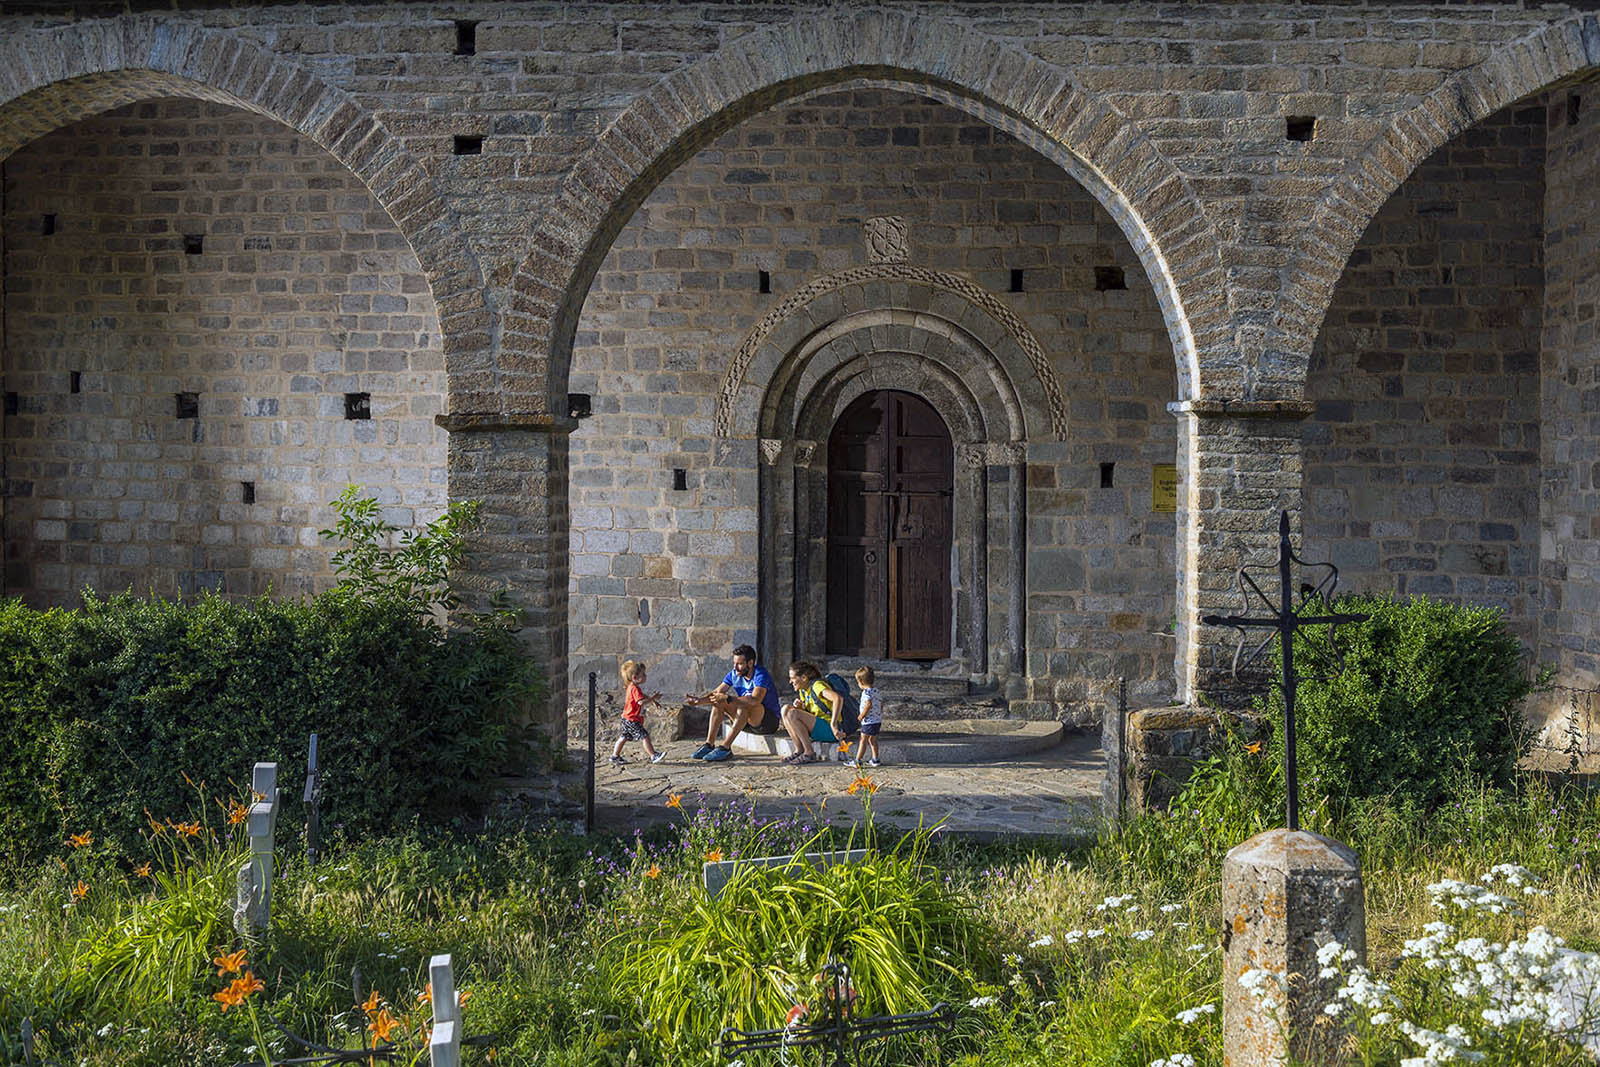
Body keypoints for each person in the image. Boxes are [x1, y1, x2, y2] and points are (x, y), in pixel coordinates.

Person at [684, 644, 782, 762]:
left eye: (740, 664)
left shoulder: (761, 675)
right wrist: (699, 701)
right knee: (718, 703)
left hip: (766, 723)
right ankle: (709, 744)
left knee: (744, 706)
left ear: (750, 663)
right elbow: (717, 692)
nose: (735, 668)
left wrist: (729, 698)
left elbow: (756, 700)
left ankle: (725, 748)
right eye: (734, 663)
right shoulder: (734, 674)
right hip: (745, 721)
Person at [778, 660, 845, 765]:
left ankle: (809, 753)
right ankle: (799, 750)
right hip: (818, 727)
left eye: (792, 678)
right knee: (785, 709)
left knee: (792, 713)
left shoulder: (817, 686)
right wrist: (801, 708)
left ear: (804, 678)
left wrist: (833, 724)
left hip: (831, 729)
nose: (790, 682)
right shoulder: (803, 690)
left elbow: (838, 699)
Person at [611, 660, 667, 766]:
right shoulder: (635, 689)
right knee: (644, 736)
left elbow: (643, 696)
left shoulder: (631, 687)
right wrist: (653, 698)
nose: (645, 676)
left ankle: (615, 756)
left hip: (626, 718)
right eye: (643, 674)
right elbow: (641, 701)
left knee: (624, 737)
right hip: (632, 719)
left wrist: (653, 701)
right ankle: (653, 755)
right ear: (635, 677)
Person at [852, 665, 883, 767]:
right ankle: (875, 759)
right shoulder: (876, 691)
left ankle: (858, 760)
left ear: (860, 681)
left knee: (863, 740)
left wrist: (862, 715)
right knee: (873, 740)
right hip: (877, 720)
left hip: (868, 721)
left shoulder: (866, 693)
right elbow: (881, 704)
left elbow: (868, 705)